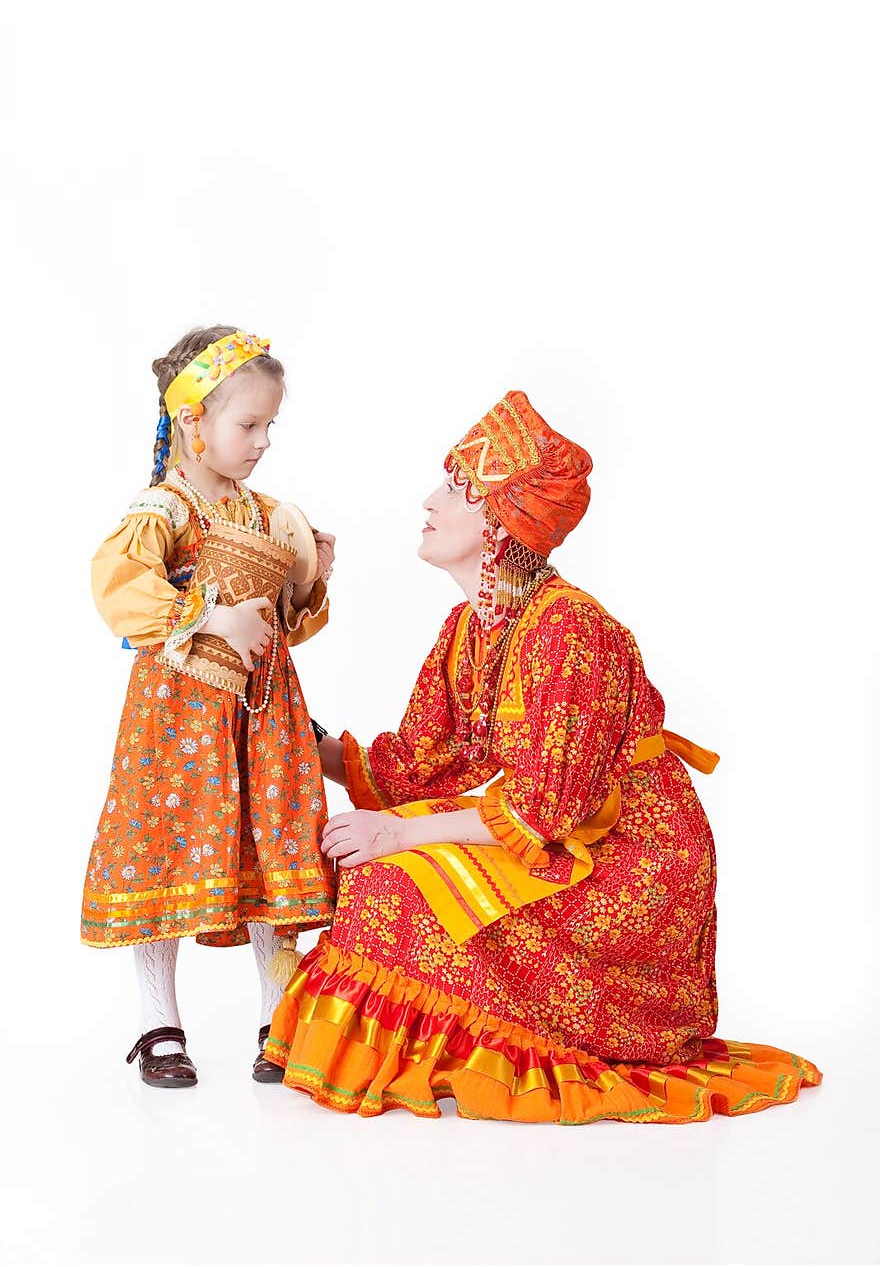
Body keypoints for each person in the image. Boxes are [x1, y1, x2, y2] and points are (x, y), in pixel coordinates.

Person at [265, 391, 820, 1124]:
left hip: (633, 861)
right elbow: (415, 765)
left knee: (391, 876)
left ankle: (493, 1054)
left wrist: (400, 833)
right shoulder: (470, 627)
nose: (430, 502)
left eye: (456, 489)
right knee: (367, 865)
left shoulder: (570, 632)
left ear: (497, 522)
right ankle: (438, 1049)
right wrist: (298, 741)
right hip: (562, 834)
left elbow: (542, 811)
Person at [82, 326, 336, 1088]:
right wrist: (207, 616)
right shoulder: (167, 506)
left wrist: (308, 578)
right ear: (193, 422)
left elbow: (285, 621)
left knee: (268, 840)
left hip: (262, 710)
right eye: (247, 425)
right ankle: (159, 1020)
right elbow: (120, 588)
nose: (261, 442)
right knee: (165, 841)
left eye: (269, 426)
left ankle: (278, 1013)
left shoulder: (265, 513)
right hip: (180, 714)